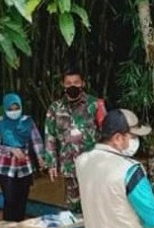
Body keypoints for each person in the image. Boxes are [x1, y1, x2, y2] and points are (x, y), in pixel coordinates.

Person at [43, 67, 107, 212]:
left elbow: (107, 134)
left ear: (83, 83)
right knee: (73, 207)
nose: (72, 86)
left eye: (76, 82)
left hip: (93, 166)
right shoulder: (55, 108)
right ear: (63, 85)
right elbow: (50, 136)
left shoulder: (95, 105)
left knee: (95, 205)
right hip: (69, 166)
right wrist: (51, 164)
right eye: (68, 83)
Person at [0, 93, 44, 221]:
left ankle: (19, 226)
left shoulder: (27, 122)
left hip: (24, 167)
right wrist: (11, 150)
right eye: (10, 109)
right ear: (5, 109)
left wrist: (41, 157)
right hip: (5, 168)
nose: (14, 112)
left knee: (22, 199)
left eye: (16, 108)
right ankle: (8, 226)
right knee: (10, 200)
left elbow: (36, 141)